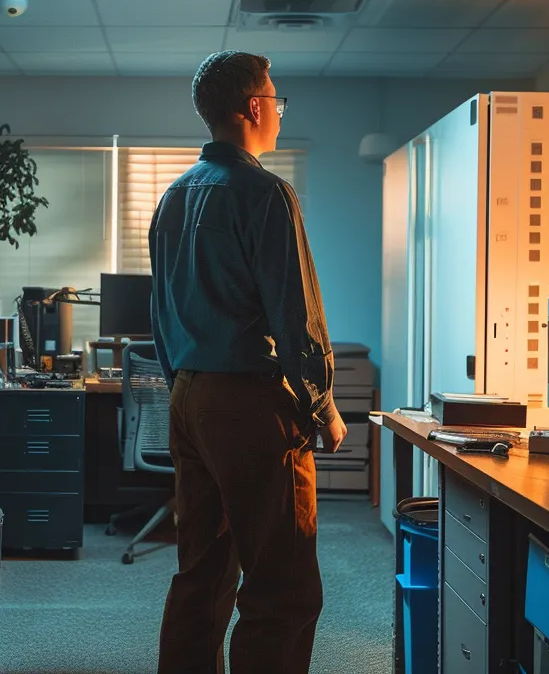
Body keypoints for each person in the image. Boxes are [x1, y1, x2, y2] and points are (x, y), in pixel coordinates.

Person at [151, 50, 345, 674]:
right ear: (255, 107)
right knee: (282, 586)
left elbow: (160, 310)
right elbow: (297, 315)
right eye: (276, 102)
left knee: (201, 573)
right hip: (249, 408)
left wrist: (181, 384)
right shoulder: (266, 193)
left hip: (189, 398)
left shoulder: (173, 198)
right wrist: (322, 404)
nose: (279, 115)